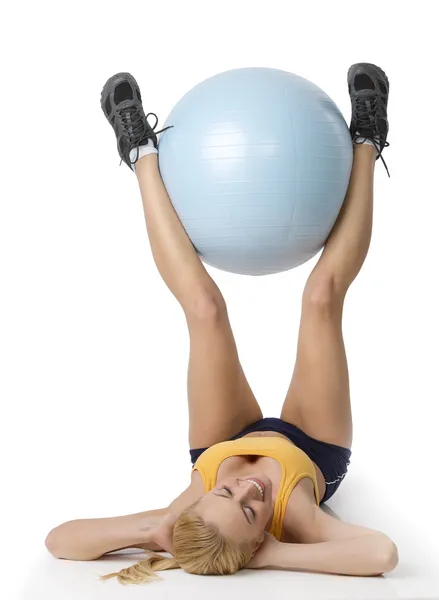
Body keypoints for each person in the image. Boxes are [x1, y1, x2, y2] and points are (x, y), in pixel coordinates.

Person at [45, 63, 398, 584]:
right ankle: (370, 138)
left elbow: (58, 540)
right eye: (253, 511)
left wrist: (158, 525)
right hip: (313, 447)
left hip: (221, 442)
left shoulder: (191, 502)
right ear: (259, 540)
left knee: (205, 309)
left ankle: (139, 151)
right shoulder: (293, 517)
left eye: (226, 493)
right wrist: (277, 554)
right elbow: (381, 555)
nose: (250, 490)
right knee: (321, 298)